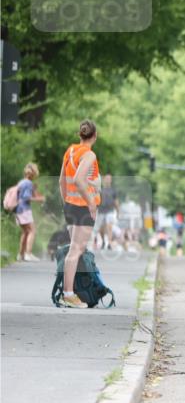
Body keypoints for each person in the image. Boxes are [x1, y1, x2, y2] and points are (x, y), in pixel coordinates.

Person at [57, 120, 101, 308]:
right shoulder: (89, 155)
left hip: (70, 205)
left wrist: (66, 201)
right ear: (95, 136)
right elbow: (78, 179)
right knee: (75, 251)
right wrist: (91, 203)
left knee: (75, 250)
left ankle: (70, 290)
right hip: (83, 208)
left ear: (80, 134)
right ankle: (68, 295)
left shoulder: (71, 151)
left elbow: (61, 181)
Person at [14, 163, 45, 261]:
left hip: (18, 209)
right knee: (32, 230)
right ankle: (28, 253)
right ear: (33, 174)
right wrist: (39, 199)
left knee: (25, 232)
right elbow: (26, 198)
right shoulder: (28, 183)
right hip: (24, 210)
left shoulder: (21, 182)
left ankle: (20, 255)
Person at [94, 173, 119, 251]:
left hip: (110, 211)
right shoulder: (100, 189)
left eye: (109, 179)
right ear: (104, 180)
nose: (108, 180)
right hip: (101, 211)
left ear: (111, 180)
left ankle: (109, 243)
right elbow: (96, 200)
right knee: (101, 229)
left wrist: (118, 211)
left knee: (109, 226)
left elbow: (116, 202)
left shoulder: (113, 190)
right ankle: (104, 241)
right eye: (107, 178)